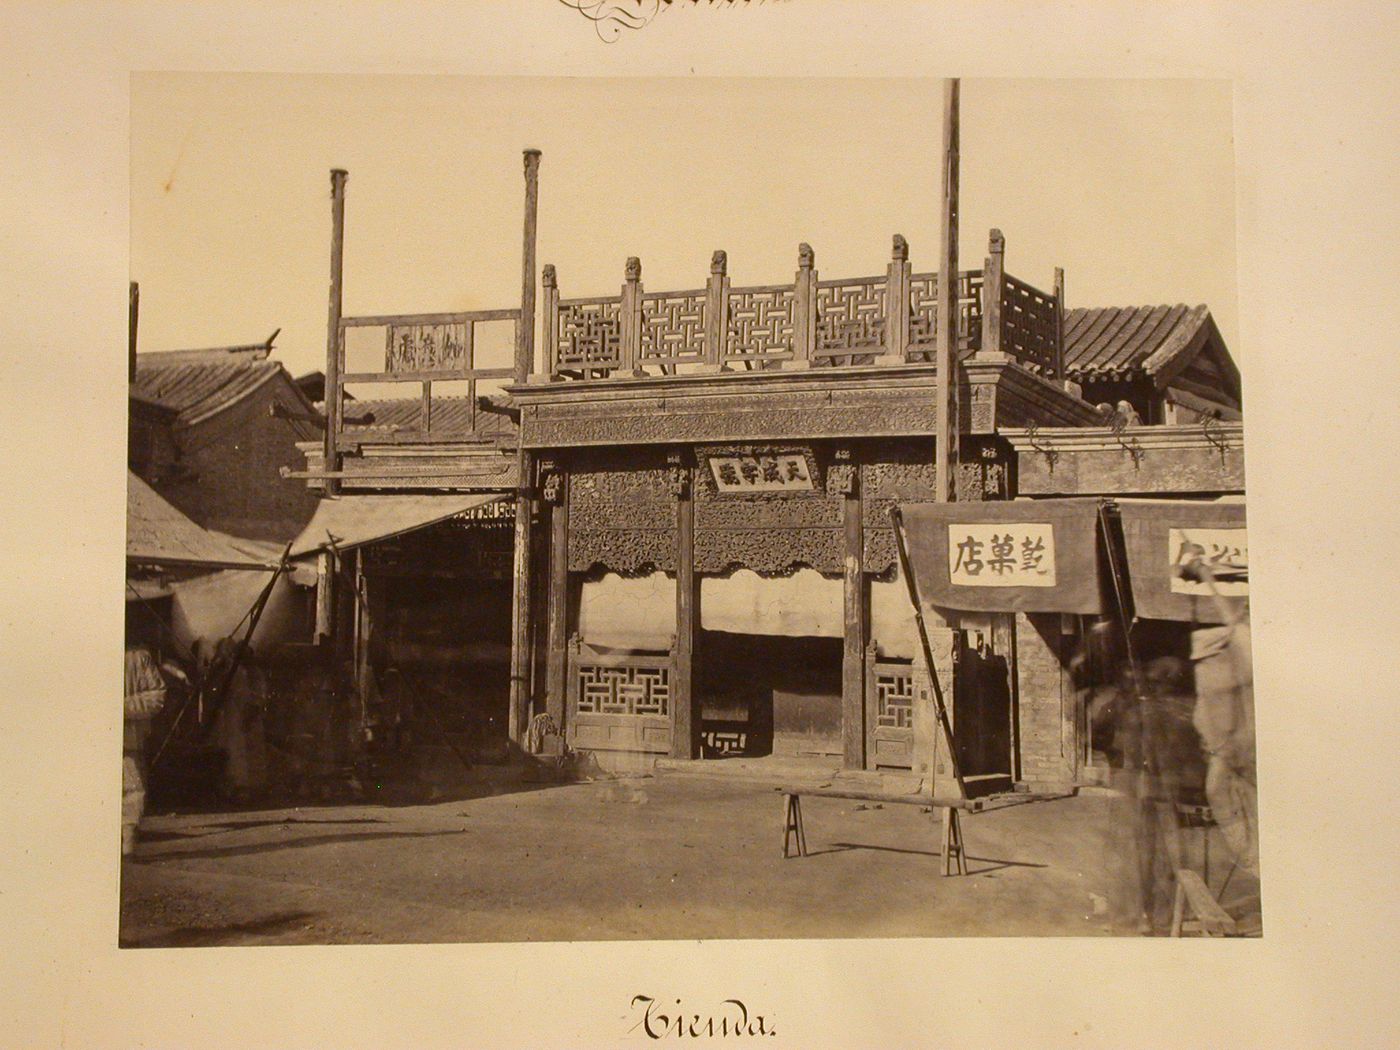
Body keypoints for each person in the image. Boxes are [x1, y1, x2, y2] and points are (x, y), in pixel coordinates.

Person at [122, 644, 169, 855]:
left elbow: (157, 696)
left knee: (132, 788)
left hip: (127, 740)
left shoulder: (138, 657)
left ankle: (127, 840)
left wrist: (120, 707)